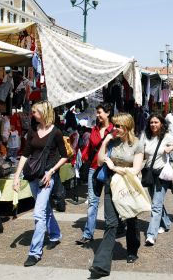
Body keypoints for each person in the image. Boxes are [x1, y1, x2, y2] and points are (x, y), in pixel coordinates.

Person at [13, 101, 68, 267]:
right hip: (32, 175)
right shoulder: (32, 131)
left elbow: (65, 156)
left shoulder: (56, 132)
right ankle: (55, 234)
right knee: (45, 209)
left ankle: (35, 252)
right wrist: (16, 176)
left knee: (38, 213)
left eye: (35, 111)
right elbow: (25, 154)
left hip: (46, 176)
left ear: (44, 113)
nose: (32, 114)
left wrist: (51, 171)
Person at [89, 113, 144, 278]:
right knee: (111, 224)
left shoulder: (136, 144)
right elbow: (99, 162)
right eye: (114, 126)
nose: (115, 129)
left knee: (131, 220)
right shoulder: (111, 141)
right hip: (111, 185)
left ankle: (132, 249)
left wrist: (114, 168)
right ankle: (101, 264)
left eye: (119, 126)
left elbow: (135, 170)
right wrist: (105, 142)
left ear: (127, 126)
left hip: (129, 186)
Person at [140, 114, 173, 246]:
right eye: (151, 122)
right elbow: (140, 153)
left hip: (162, 175)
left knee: (155, 205)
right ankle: (166, 223)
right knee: (156, 201)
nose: (153, 125)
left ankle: (151, 235)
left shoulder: (167, 136)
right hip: (149, 173)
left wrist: (172, 148)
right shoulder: (145, 136)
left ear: (161, 124)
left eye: (156, 122)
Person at [76, 104, 114, 246]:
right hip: (94, 168)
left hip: (110, 170)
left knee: (112, 202)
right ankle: (88, 234)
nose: (97, 115)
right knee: (93, 202)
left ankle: (113, 230)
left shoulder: (115, 130)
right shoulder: (94, 129)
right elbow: (91, 147)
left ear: (108, 113)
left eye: (100, 112)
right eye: (97, 113)